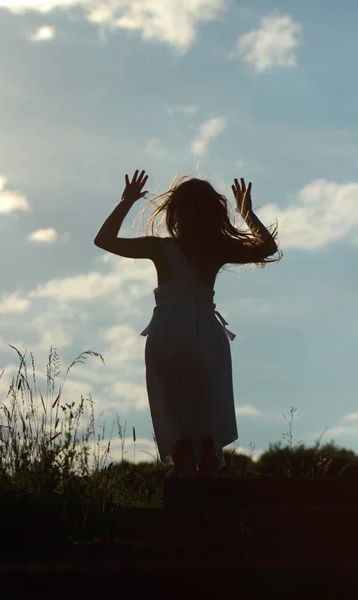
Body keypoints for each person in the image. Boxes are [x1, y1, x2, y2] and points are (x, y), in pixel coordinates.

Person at [94, 170, 282, 478]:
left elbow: (104, 240)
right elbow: (267, 248)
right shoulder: (216, 249)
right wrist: (247, 213)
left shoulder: (160, 248)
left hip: (166, 336)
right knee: (206, 431)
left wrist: (126, 202)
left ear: (175, 213)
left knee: (178, 428)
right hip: (204, 337)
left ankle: (186, 503)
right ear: (213, 214)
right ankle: (210, 510)